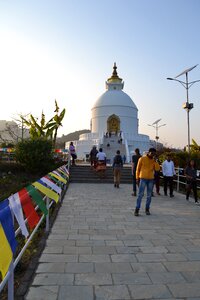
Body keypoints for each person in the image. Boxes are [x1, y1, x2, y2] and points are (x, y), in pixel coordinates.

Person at [134, 148, 160, 216]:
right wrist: (137, 178)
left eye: (154, 154)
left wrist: (155, 161)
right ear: (148, 152)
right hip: (143, 178)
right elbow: (138, 169)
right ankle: (137, 209)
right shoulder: (142, 159)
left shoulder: (153, 160)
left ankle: (147, 209)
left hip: (151, 179)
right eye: (151, 153)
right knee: (140, 195)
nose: (152, 155)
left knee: (149, 195)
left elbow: (157, 169)